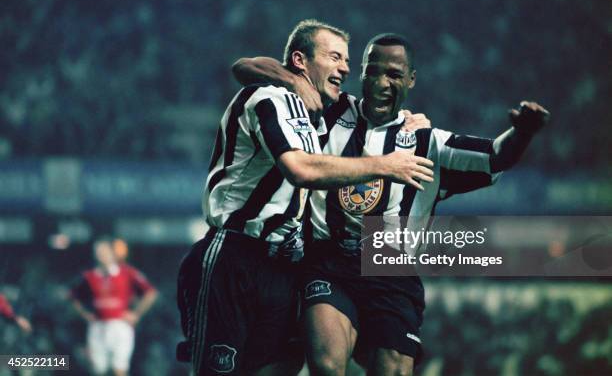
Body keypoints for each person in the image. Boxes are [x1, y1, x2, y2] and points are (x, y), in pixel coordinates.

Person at [233, 33, 550, 375]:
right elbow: (246, 67)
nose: (382, 83)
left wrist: (523, 132)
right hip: (328, 260)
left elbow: (495, 156)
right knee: (326, 365)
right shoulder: (330, 111)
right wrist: (295, 81)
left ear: (411, 79)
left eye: (395, 75)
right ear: (363, 74)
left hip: (390, 266)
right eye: (373, 71)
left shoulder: (429, 142)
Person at [176, 20, 434, 376]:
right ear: (300, 60)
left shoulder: (320, 118)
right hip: (235, 254)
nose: (345, 67)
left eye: (346, 59)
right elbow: (300, 167)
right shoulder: (268, 97)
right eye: (335, 57)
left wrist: (401, 123)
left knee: (283, 365)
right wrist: (384, 165)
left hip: (284, 266)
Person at [70, 236, 158, 376]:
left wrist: (136, 313)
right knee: (98, 370)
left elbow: (151, 292)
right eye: (98, 252)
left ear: (112, 252)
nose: (101, 255)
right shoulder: (89, 276)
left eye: (104, 251)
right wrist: (84, 314)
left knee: (120, 368)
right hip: (98, 327)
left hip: (120, 326)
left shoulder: (127, 273)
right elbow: (72, 296)